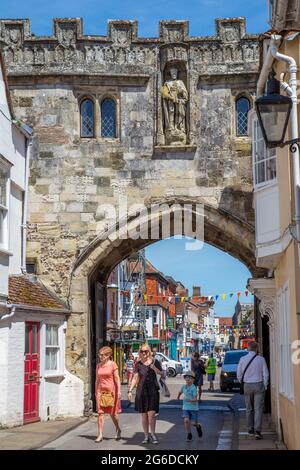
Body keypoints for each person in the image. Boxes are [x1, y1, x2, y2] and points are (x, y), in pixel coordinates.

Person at [127, 344, 164, 444]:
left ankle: (153, 434)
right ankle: (146, 436)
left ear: (149, 352)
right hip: (141, 391)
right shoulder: (138, 364)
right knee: (144, 415)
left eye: (146, 351)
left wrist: (155, 369)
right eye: (142, 351)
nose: (144, 353)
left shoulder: (155, 362)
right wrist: (130, 391)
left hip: (153, 391)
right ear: (139, 352)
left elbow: (163, 374)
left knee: (151, 414)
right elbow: (135, 377)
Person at [237, 341, 269, 440]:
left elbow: (239, 374)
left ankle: (250, 429)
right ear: (256, 349)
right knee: (258, 409)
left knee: (249, 409)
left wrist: (243, 383)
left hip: (247, 385)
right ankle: (258, 431)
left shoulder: (242, 359)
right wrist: (265, 385)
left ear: (248, 348)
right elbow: (266, 374)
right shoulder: (261, 359)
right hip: (259, 384)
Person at [95, 346, 122, 443]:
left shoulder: (112, 365)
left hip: (111, 393)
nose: (100, 356)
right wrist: (96, 392)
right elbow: (97, 380)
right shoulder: (98, 366)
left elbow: (117, 378)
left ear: (108, 355)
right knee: (100, 413)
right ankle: (100, 434)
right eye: (99, 354)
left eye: (102, 355)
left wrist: (119, 391)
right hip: (100, 392)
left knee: (113, 414)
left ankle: (118, 429)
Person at [177, 371, 203, 442]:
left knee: (194, 423)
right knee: (186, 421)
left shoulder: (193, 388)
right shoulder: (184, 387)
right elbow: (180, 392)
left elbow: (195, 399)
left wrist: (189, 400)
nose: (188, 379)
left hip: (194, 408)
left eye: (190, 378)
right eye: (187, 377)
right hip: (185, 408)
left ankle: (199, 427)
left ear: (193, 380)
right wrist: (178, 396)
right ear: (185, 379)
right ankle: (189, 434)